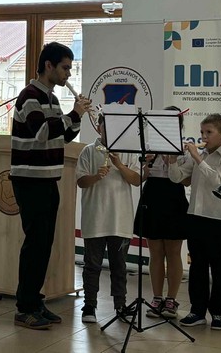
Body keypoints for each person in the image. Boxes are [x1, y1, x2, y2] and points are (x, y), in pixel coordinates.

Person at [10, 42, 91, 330]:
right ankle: (24, 307)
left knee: (44, 245)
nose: (68, 74)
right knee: (35, 244)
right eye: (65, 68)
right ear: (49, 66)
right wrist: (74, 114)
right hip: (29, 180)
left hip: (47, 179)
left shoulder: (52, 99)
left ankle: (35, 301)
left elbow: (63, 137)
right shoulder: (29, 96)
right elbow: (43, 133)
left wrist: (77, 117)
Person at [167, 114, 221, 331]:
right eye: (202, 132)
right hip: (195, 216)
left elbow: (218, 180)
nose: (204, 137)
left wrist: (197, 157)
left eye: (209, 132)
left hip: (215, 218)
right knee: (197, 265)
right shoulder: (199, 155)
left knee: (218, 267)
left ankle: (218, 313)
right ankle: (197, 310)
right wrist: (172, 161)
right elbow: (177, 178)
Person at [76, 114, 140, 323]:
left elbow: (137, 180)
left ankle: (120, 305)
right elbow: (81, 182)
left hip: (120, 219)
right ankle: (89, 306)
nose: (110, 130)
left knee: (119, 266)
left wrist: (119, 165)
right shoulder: (88, 151)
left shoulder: (127, 151)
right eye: (106, 126)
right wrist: (96, 176)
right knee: (92, 265)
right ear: (99, 127)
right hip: (95, 218)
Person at [133, 105, 189, 320]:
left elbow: (186, 180)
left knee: (173, 251)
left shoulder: (184, 147)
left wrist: (172, 161)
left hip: (174, 195)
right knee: (155, 251)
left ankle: (171, 299)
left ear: (179, 125)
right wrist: (146, 164)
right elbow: (140, 177)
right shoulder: (149, 146)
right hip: (152, 194)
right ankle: (157, 297)